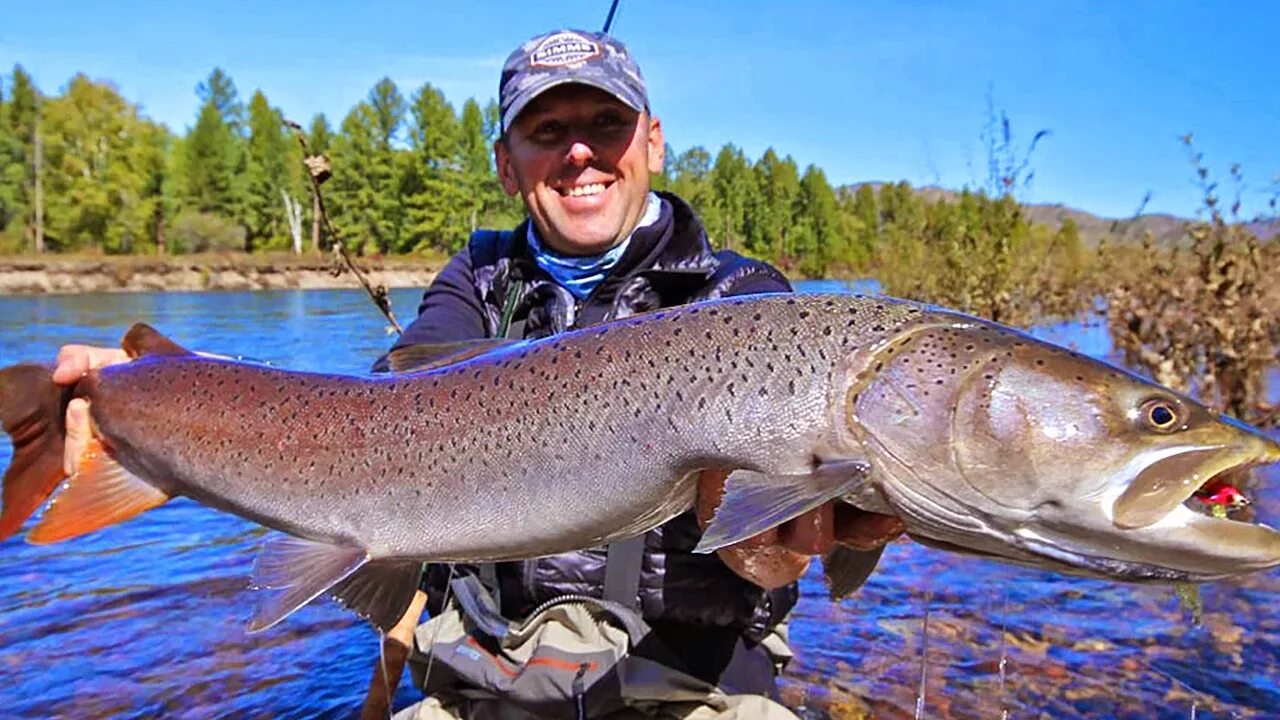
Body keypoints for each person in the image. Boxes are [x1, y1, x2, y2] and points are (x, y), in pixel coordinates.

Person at [52, 28, 904, 720]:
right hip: (483, 686)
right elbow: (381, 415)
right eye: (546, 132)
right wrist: (178, 390)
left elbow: (789, 538)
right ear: (506, 163)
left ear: (652, 141)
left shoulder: (742, 300)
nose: (579, 153)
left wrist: (778, 550)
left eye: (605, 126)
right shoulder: (476, 280)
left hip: (689, 688)